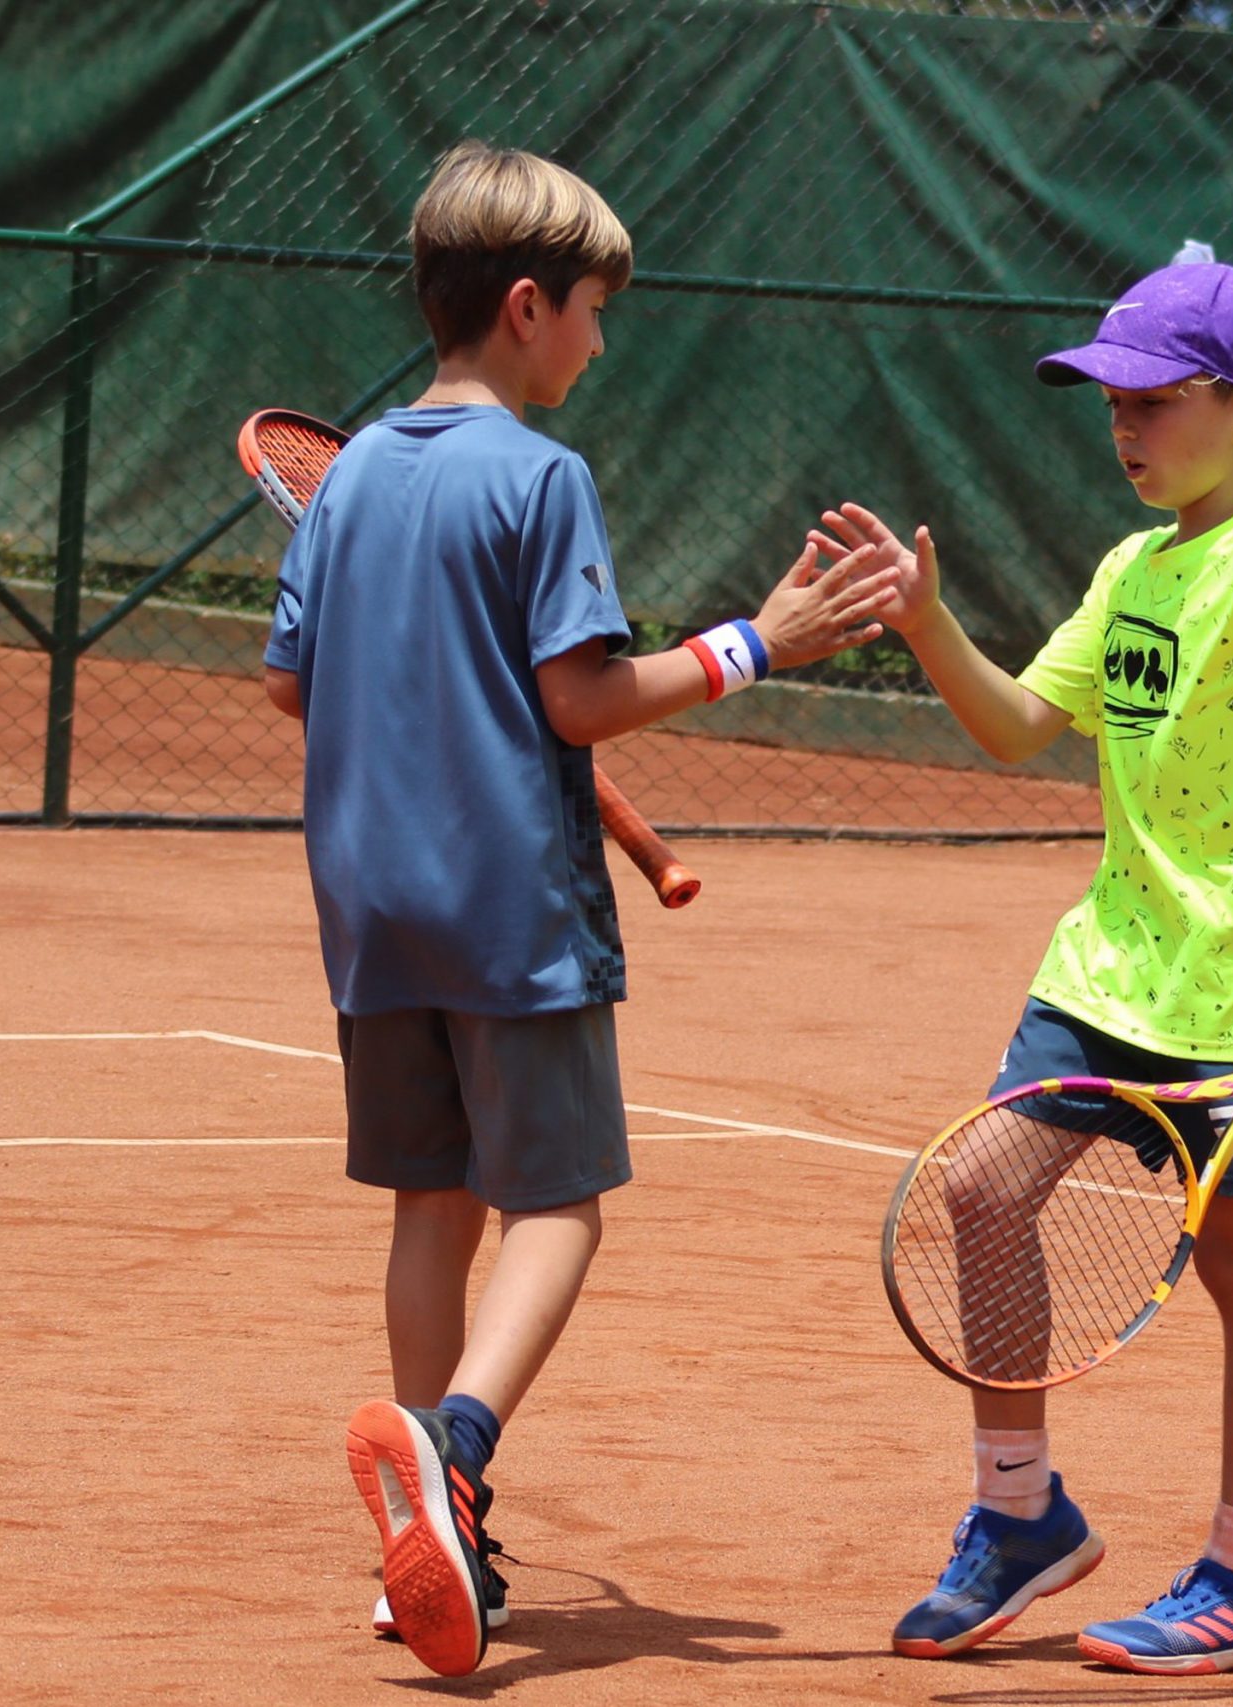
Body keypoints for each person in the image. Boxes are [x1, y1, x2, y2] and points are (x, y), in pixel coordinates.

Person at [261, 139, 895, 1678]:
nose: (602, 345)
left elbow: (293, 684)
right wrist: (759, 641)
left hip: (372, 914)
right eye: (595, 313)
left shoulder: (347, 492)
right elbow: (580, 697)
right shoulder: (545, 480)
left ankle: (427, 1539)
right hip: (509, 911)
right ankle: (456, 1452)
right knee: (557, 1209)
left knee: (435, 1206)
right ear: (529, 306)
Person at [818, 263, 1233, 1676]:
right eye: (1110, 404)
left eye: (1151, 400)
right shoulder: (1134, 571)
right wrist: (923, 619)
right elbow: (1019, 725)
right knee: (982, 1185)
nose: (1122, 426)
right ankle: (1019, 1518)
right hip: (1107, 970)